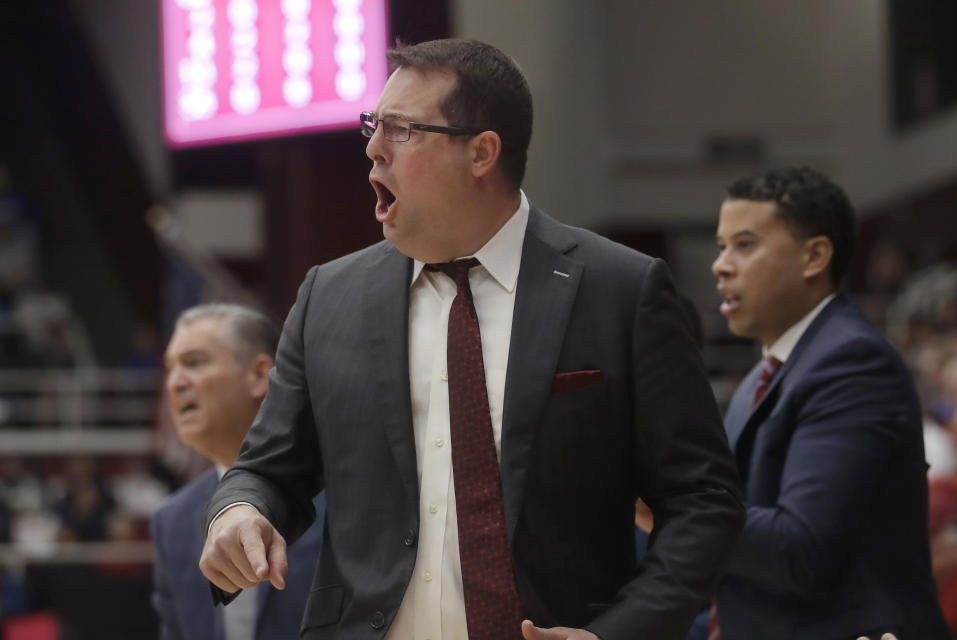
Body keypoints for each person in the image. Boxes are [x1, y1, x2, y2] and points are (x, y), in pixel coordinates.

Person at [200, 38, 745, 640]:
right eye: (373, 127)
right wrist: (239, 509)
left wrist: (620, 634)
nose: (374, 149)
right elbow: (269, 468)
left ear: (482, 152)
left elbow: (703, 500)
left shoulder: (621, 289)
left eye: (401, 130)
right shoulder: (328, 295)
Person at [710, 166, 949, 639]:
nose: (721, 265)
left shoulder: (851, 362)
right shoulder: (761, 375)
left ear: (814, 256)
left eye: (745, 244)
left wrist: (674, 508)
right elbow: (738, 552)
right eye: (721, 247)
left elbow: (799, 552)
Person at [152, 304, 325, 640]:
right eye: (170, 368)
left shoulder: (347, 487)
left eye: (194, 362)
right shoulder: (170, 520)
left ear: (261, 375)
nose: (174, 383)